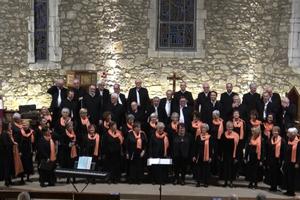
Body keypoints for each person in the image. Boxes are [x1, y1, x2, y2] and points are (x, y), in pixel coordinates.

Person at [193, 123, 213, 187]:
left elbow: (211, 148)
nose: (203, 129)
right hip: (199, 155)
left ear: (207, 129)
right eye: (202, 128)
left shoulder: (210, 137)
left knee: (206, 170)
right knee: (198, 170)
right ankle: (198, 182)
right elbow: (195, 147)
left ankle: (205, 182)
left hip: (206, 156)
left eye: (204, 128)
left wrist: (210, 157)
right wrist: (194, 156)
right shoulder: (198, 137)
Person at [221, 121, 239, 187]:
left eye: (231, 127)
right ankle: (225, 182)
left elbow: (238, 147)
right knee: (225, 169)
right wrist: (221, 155)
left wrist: (236, 157)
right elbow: (221, 146)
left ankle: (231, 182)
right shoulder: (223, 134)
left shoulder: (236, 135)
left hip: (233, 155)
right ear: (226, 127)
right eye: (228, 127)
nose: (230, 128)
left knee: (232, 169)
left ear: (233, 127)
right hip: (226, 154)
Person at [266, 126, 285, 191]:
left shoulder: (282, 140)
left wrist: (282, 160)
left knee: (276, 174)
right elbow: (267, 150)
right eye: (274, 131)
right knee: (271, 173)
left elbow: (283, 151)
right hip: (271, 159)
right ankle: (272, 186)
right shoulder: (269, 140)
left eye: (276, 131)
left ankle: (275, 186)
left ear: (279, 132)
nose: (275, 132)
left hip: (278, 160)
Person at [283, 127, 300, 196]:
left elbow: (299, 154)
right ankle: (288, 190)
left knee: (292, 177)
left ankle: (292, 192)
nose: (288, 134)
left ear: (293, 134)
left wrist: (298, 163)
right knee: (287, 176)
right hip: (287, 161)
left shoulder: (298, 142)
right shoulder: (288, 140)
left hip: (294, 162)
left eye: (289, 133)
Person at [0, 121, 16, 187]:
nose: (10, 126)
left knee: (9, 167)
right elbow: (5, 144)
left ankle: (9, 180)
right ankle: (7, 181)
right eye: (9, 125)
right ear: (6, 126)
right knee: (7, 167)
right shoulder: (4, 134)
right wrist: (13, 143)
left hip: (8, 153)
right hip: (5, 154)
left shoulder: (7, 133)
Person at [210, 110, 223, 175]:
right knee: (213, 156)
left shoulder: (222, 122)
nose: (215, 116)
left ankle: (218, 171)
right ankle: (213, 171)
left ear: (218, 115)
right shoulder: (211, 122)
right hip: (212, 141)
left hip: (220, 142)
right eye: (214, 115)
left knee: (218, 156)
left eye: (216, 115)